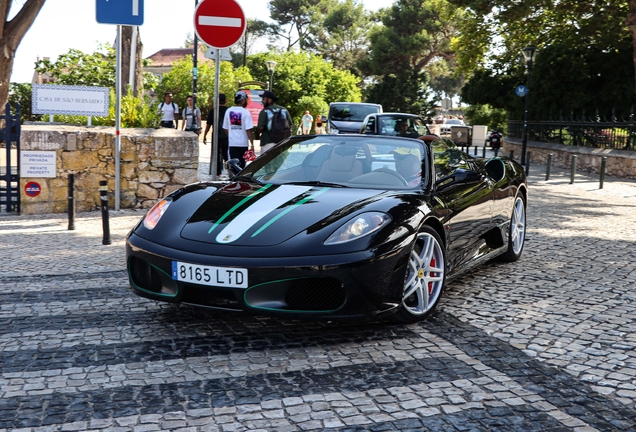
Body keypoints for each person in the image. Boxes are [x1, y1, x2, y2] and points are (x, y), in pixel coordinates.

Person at [223, 90, 254, 169]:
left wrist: (231, 136)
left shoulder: (228, 111)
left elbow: (225, 128)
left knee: (233, 166)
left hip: (232, 144)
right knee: (242, 167)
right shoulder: (246, 112)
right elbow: (248, 130)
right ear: (243, 100)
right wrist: (252, 143)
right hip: (243, 144)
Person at [203, 94, 230, 176]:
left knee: (215, 155)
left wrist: (205, 135)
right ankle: (230, 172)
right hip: (226, 136)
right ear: (226, 100)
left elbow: (208, 124)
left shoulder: (213, 110)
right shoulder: (228, 110)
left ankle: (217, 173)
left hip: (216, 136)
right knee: (227, 155)